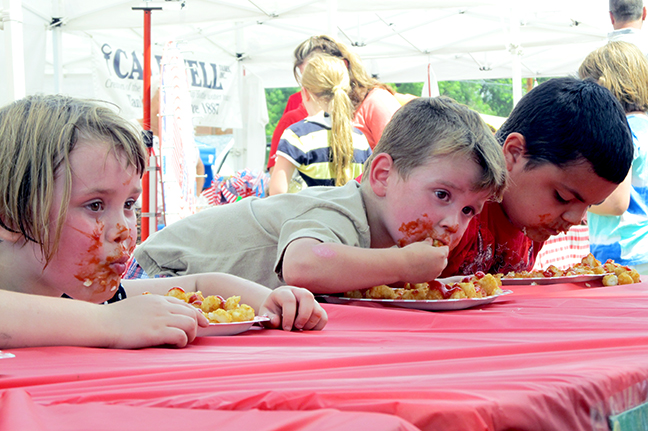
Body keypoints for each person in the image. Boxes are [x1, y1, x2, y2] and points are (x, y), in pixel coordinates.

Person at [0, 94, 327, 350]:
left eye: (129, 204)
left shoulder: (76, 296)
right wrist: (111, 324)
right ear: (11, 216)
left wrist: (268, 301)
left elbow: (204, 285)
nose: (125, 230)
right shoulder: (98, 313)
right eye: (95, 205)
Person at [128, 96, 507, 294]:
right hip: (161, 276)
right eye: (442, 194)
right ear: (382, 175)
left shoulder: (380, 235)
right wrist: (404, 265)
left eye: (470, 210)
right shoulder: (340, 210)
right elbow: (304, 266)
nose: (453, 222)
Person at [441, 77, 634, 277]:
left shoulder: (534, 222)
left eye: (590, 206)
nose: (575, 219)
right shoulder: (455, 203)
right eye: (562, 197)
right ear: (514, 153)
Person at [266, 35, 402, 172]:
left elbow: (403, 160)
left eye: (318, 74)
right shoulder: (307, 116)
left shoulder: (375, 102)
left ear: (343, 65)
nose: (313, 84)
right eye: (307, 77)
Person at [578, 41, 648, 273]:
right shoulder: (642, 127)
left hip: (622, 254)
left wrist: (576, 201)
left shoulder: (623, 131)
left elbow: (616, 202)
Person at [268, 53, 372, 195]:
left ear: (305, 93)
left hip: (310, 216)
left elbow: (277, 193)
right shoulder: (360, 138)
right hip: (350, 216)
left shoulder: (296, 136)